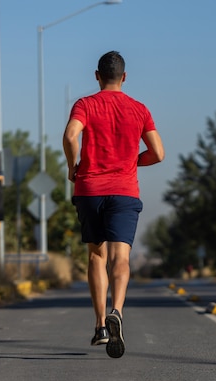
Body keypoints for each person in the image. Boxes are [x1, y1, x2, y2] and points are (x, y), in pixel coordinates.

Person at [62, 51, 165, 358]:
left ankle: (99, 327)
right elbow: (158, 153)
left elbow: (70, 136)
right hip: (124, 190)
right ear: (124, 77)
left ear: (97, 76)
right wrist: (133, 161)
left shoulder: (85, 104)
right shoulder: (139, 109)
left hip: (90, 188)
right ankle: (117, 311)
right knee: (121, 257)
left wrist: (72, 167)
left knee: (96, 255)